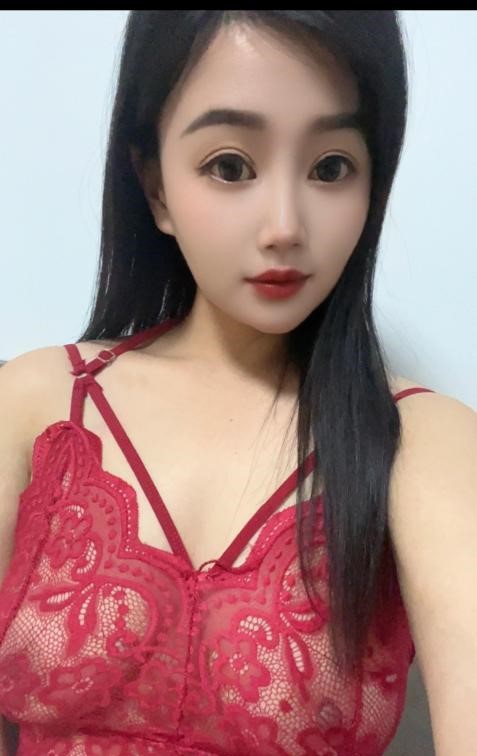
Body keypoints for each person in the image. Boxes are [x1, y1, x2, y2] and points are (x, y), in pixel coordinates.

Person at [0, 10, 476, 756]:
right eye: (230, 166)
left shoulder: (424, 442)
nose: (285, 225)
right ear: (155, 186)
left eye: (330, 168)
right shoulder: (37, 402)